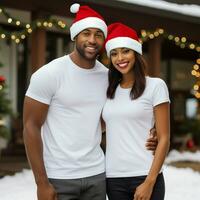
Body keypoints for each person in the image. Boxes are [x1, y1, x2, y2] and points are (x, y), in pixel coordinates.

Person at [23, 4, 157, 200]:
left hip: (97, 175)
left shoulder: (108, 77)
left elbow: (121, 113)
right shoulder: (49, 74)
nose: (92, 40)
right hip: (59, 177)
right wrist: (41, 183)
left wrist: (152, 131)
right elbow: (30, 127)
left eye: (98, 35)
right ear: (75, 35)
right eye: (86, 33)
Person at [102, 23, 170, 200]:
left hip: (145, 174)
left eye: (125, 51)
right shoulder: (108, 90)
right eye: (114, 53)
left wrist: (150, 181)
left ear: (136, 53)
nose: (120, 58)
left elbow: (164, 138)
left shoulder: (155, 86)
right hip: (113, 178)